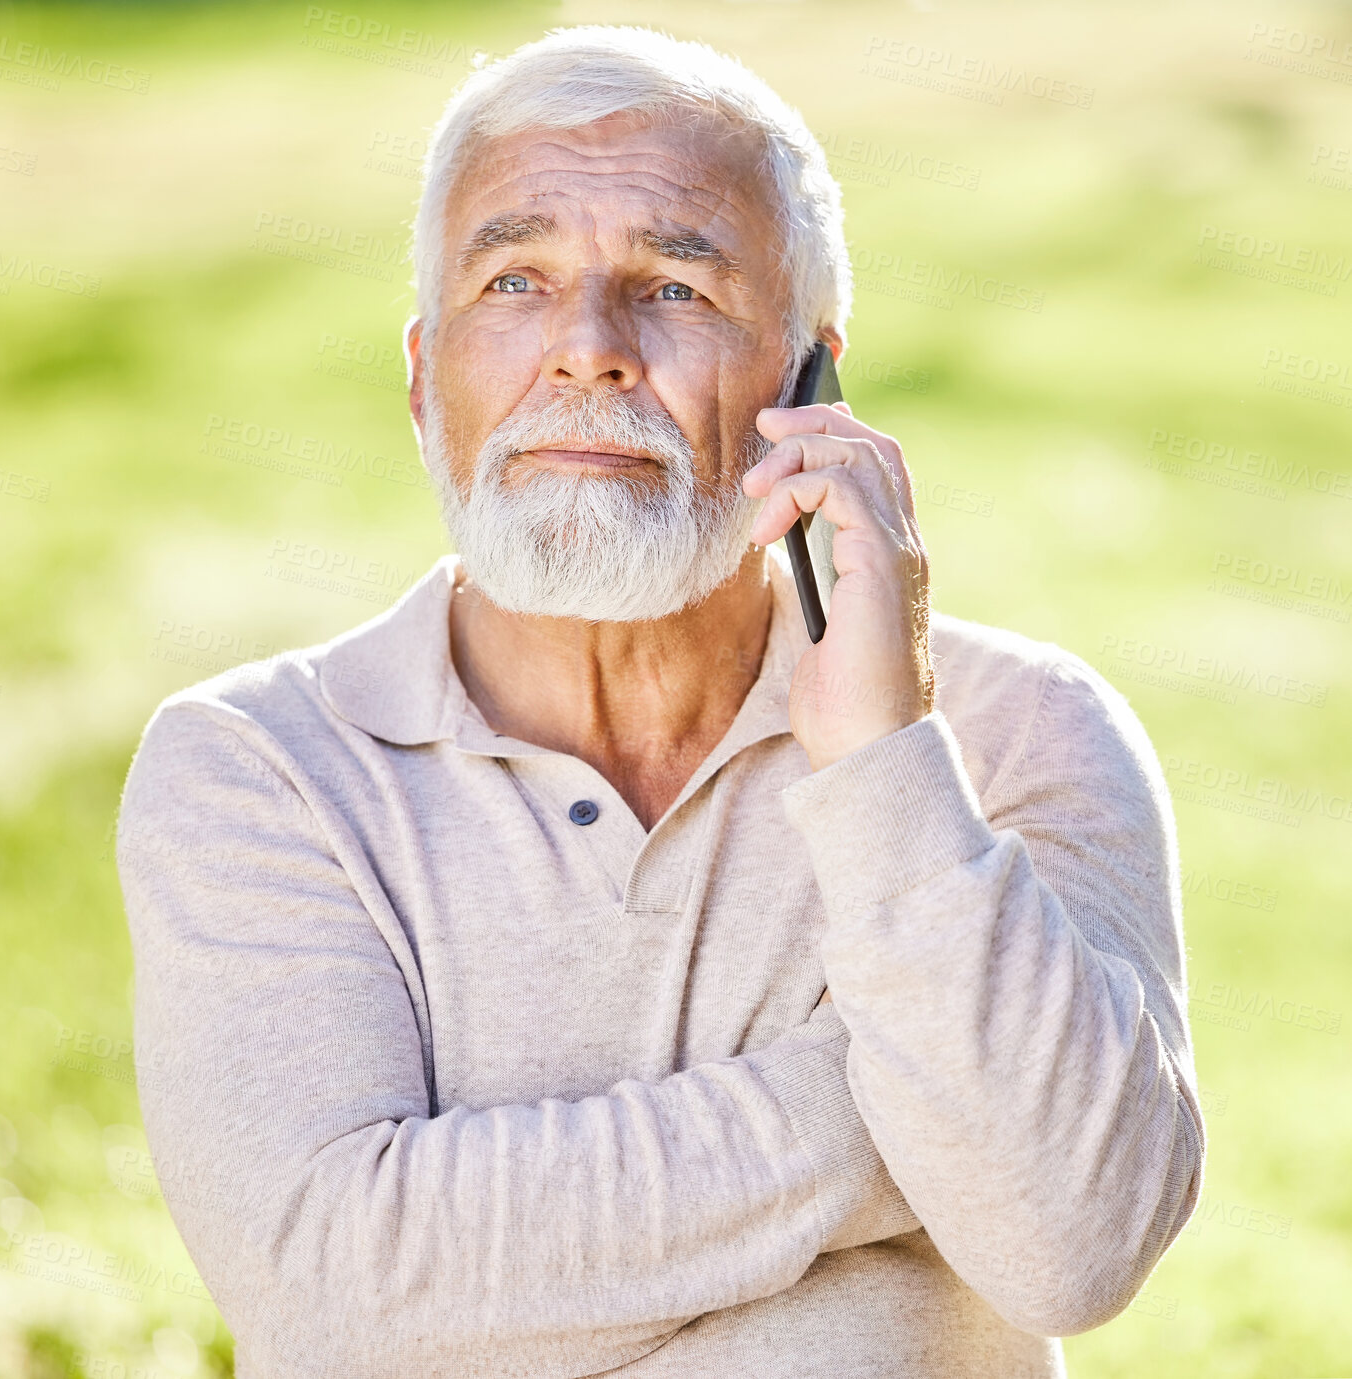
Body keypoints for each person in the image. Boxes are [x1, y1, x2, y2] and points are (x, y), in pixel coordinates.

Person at [116, 25, 1204, 1378]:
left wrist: (883, 759)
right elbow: (336, 1287)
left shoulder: (1019, 731)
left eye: (675, 288)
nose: (587, 350)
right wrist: (900, 1112)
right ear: (420, 378)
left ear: (810, 382)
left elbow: (1069, 1240)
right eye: (513, 281)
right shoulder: (255, 771)